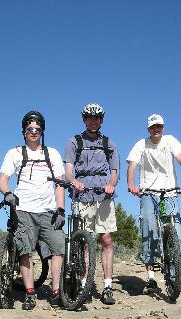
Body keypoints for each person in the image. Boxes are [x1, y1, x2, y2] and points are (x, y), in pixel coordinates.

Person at [0, 111, 66, 310]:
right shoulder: (15, 153)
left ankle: (55, 292)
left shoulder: (52, 153)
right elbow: (2, 179)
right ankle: (29, 293)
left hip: (48, 210)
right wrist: (7, 193)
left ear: (42, 131)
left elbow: (60, 184)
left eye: (37, 129)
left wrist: (60, 209)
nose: (33, 132)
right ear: (24, 132)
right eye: (30, 129)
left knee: (58, 248)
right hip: (24, 209)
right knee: (25, 251)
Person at [127, 114, 181, 294]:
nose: (156, 129)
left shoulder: (170, 140)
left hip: (169, 193)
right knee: (149, 230)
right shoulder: (141, 144)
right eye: (153, 127)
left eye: (159, 126)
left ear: (163, 127)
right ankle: (151, 279)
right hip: (148, 193)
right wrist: (131, 184)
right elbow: (132, 165)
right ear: (148, 129)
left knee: (178, 234)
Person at [64, 103, 120, 305]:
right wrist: (74, 182)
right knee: (85, 243)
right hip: (82, 195)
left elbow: (114, 173)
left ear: (102, 120)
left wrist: (111, 185)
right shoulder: (74, 142)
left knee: (106, 240)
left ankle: (107, 287)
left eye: (97, 118)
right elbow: (68, 171)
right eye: (89, 118)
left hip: (103, 196)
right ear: (84, 119)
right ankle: (84, 285)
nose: (93, 121)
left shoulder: (109, 143)